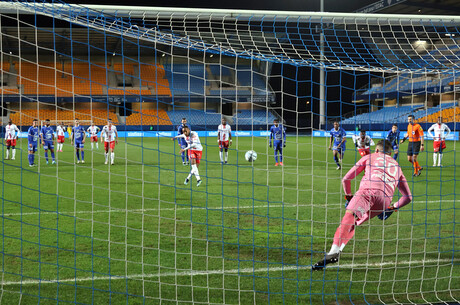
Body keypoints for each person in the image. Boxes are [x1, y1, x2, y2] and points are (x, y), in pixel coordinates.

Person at [312, 140, 412, 270]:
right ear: (390, 152)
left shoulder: (370, 156)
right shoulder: (397, 166)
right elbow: (408, 197)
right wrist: (392, 207)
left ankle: (332, 253)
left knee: (349, 217)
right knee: (353, 223)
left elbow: (346, 179)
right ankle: (338, 251)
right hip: (384, 202)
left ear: (376, 150)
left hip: (368, 193)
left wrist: (348, 196)